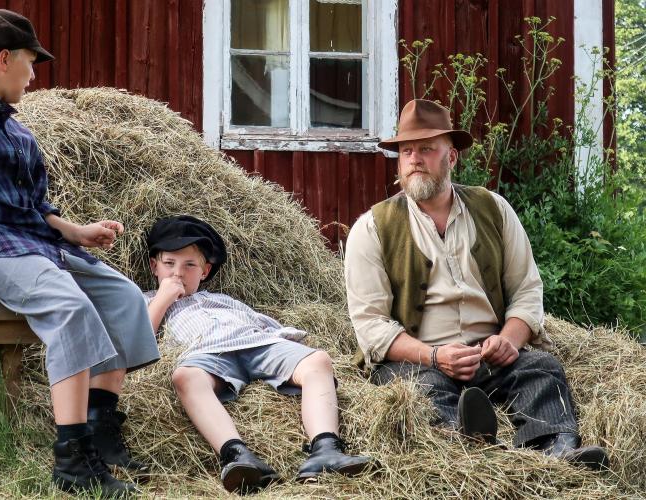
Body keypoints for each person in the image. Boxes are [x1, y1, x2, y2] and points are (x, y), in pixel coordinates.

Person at [0, 9, 159, 497]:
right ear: (3, 59)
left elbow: (37, 208)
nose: (34, 75)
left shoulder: (18, 132)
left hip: (38, 243)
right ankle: (73, 462)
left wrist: (79, 232)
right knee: (70, 307)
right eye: (31, 63)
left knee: (122, 296)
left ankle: (100, 427)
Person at [344, 99, 608, 469]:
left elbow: (527, 290)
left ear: (451, 157)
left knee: (541, 369)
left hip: (491, 355)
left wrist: (509, 340)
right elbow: (371, 326)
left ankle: (557, 450)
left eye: (426, 149)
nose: (414, 159)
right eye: (406, 151)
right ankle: (472, 450)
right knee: (419, 392)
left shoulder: (493, 209)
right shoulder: (372, 228)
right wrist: (435, 356)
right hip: (420, 360)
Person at [143, 215, 370, 493]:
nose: (178, 273)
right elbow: (141, 336)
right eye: (169, 264)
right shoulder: (147, 301)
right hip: (207, 354)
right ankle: (236, 455)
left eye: (190, 265)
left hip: (257, 343)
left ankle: (325, 448)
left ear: (205, 271)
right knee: (184, 376)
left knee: (317, 360)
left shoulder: (223, 299)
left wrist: (286, 338)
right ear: (154, 266)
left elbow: (261, 323)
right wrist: (164, 298)